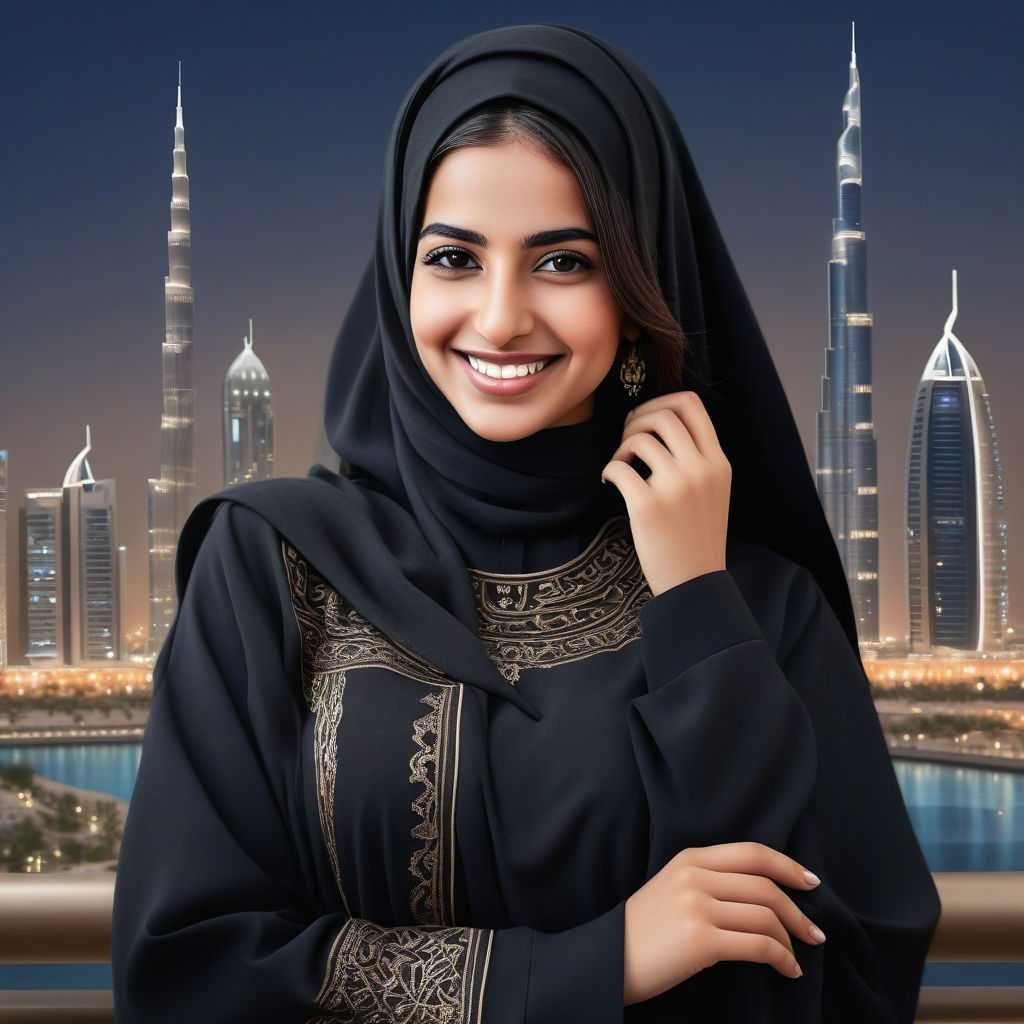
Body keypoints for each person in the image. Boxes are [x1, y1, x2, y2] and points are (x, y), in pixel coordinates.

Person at [111, 23, 940, 1023]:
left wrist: (696, 608)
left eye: (562, 262)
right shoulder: (272, 567)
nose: (500, 317)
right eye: (454, 257)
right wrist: (604, 961)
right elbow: (188, 970)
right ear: (397, 276)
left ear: (639, 293)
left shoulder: (759, 603)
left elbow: (836, 985)